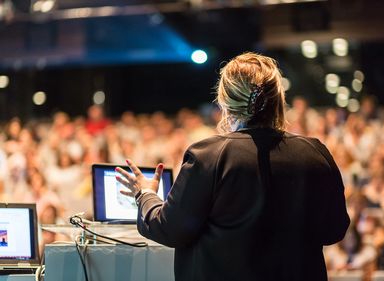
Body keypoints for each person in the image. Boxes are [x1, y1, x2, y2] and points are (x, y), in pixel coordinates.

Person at [115, 52, 350, 281]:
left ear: (224, 103)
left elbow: (170, 228)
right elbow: (335, 230)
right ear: (278, 99)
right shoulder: (316, 153)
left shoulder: (208, 156)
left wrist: (144, 194)